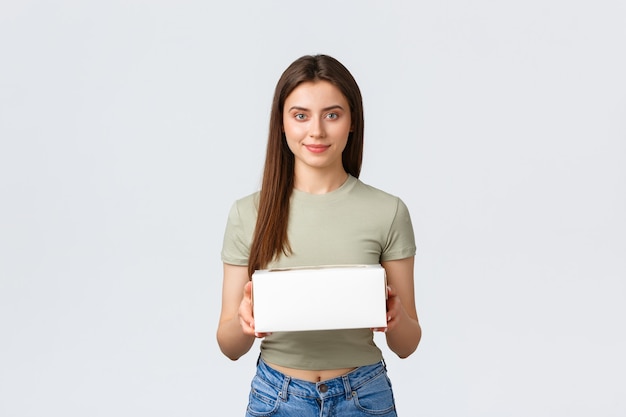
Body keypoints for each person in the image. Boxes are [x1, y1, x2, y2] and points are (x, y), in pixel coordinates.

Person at [217, 54, 421, 417]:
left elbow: (407, 344)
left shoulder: (387, 211)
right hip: (276, 396)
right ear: (281, 123)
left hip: (364, 395)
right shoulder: (248, 213)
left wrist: (397, 316)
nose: (316, 131)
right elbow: (229, 346)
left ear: (352, 121)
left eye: (332, 114)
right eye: (300, 115)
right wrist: (244, 321)